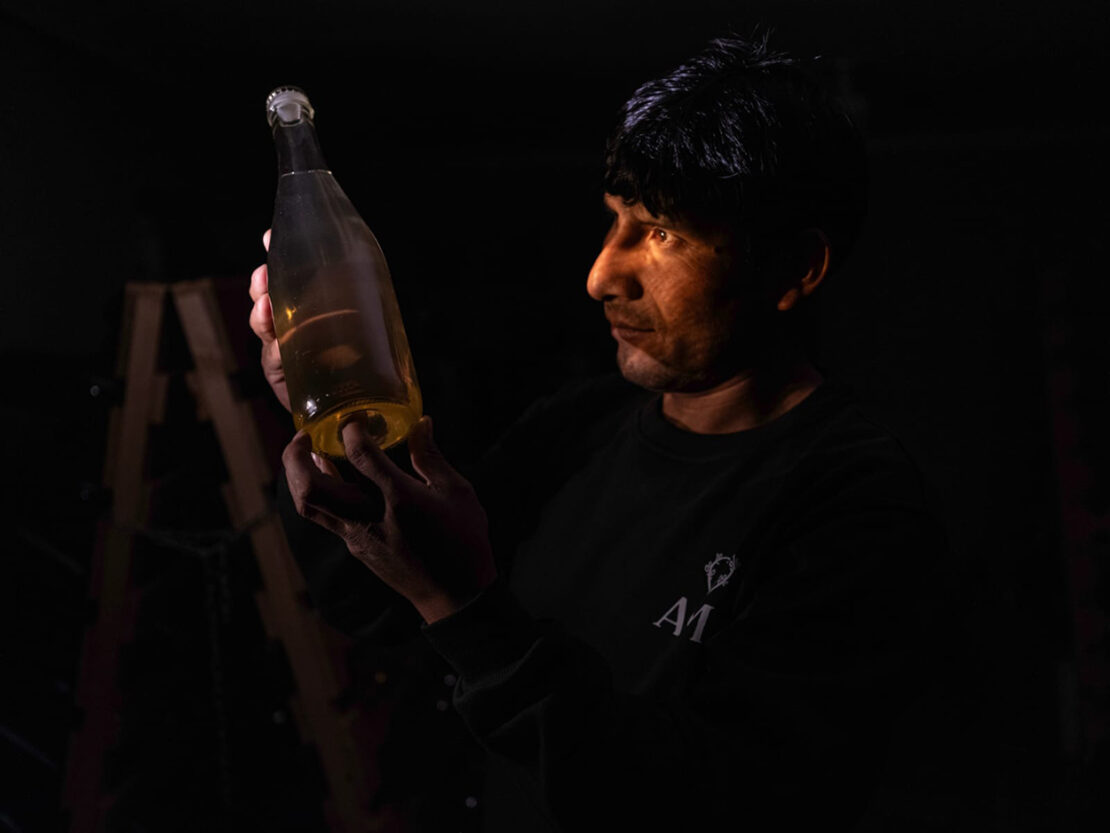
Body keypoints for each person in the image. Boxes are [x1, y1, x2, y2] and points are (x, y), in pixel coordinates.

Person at [249, 33, 954, 832]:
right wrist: (339, 427)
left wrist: (462, 601)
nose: (601, 275)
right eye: (616, 220)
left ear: (796, 268)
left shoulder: (856, 508)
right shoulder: (577, 429)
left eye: (662, 234)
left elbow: (714, 800)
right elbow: (375, 606)